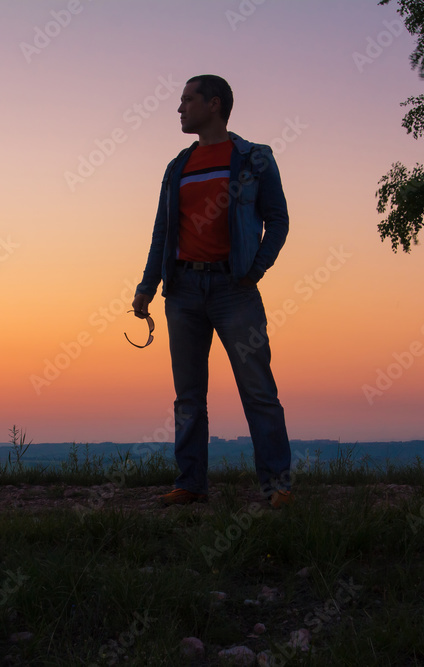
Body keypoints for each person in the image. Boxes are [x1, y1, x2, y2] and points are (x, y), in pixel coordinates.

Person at [131, 74, 293, 509]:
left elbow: (277, 220)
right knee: (188, 397)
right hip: (182, 291)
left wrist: (255, 270)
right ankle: (191, 485)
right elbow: (163, 232)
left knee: (258, 391)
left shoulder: (254, 158)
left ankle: (278, 488)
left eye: (187, 100)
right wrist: (148, 286)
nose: (180, 109)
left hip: (234, 289)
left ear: (214, 104)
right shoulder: (177, 166)